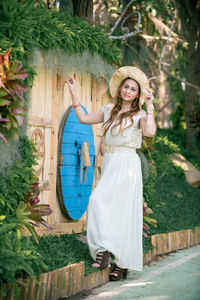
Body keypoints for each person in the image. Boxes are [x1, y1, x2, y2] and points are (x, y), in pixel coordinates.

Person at [66, 66, 156, 281]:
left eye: (133, 89)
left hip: (127, 164)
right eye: (126, 86)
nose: (128, 91)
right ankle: (104, 250)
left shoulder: (140, 115)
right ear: (120, 89)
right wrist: (74, 92)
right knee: (98, 201)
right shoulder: (108, 110)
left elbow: (150, 132)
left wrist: (150, 106)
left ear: (137, 95)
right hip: (110, 162)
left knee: (122, 212)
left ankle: (121, 263)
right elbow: (83, 119)